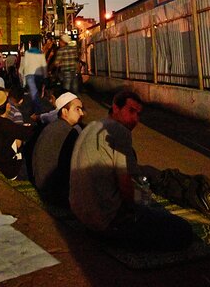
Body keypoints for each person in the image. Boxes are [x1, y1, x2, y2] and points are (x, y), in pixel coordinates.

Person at [69, 88, 195, 251]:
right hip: (107, 222)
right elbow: (126, 186)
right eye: (131, 111)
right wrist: (140, 208)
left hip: (81, 217)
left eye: (138, 113)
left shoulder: (90, 127)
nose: (135, 119)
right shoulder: (119, 131)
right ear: (115, 108)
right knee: (183, 230)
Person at [32, 92, 85, 205]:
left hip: (44, 186)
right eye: (77, 109)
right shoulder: (68, 132)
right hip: (56, 192)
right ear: (65, 111)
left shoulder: (54, 126)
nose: (81, 113)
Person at [0, 90, 35, 180]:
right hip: (13, 170)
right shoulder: (4, 124)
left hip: (2, 165)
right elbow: (27, 134)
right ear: (7, 106)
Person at [20, 41, 48, 114]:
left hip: (30, 75)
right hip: (39, 75)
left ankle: (37, 110)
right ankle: (36, 110)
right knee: (36, 93)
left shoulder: (27, 53)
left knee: (33, 93)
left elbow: (25, 66)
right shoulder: (41, 54)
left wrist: (24, 80)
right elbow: (44, 66)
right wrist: (45, 76)